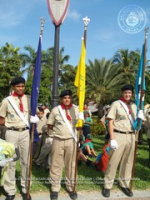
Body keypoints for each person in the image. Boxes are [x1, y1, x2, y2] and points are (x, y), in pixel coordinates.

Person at [102, 84, 144, 198]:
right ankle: (107, 185)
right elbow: (110, 121)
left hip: (131, 136)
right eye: (125, 92)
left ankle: (124, 183)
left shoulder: (134, 106)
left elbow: (138, 124)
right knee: (113, 161)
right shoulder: (116, 104)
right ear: (122, 93)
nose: (127, 94)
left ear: (131, 94)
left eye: (129, 93)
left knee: (128, 161)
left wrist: (141, 117)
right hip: (118, 135)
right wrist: (112, 138)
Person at [0, 77, 39, 200]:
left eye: (22, 86)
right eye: (18, 86)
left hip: (26, 133)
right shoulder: (7, 101)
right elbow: (1, 119)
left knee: (26, 161)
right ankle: (10, 190)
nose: (21, 88)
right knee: (10, 162)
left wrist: (35, 119)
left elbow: (36, 114)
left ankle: (25, 188)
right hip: (11, 132)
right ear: (13, 87)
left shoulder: (29, 99)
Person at [47, 90, 80, 200]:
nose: (67, 100)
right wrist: (53, 136)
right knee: (56, 164)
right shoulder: (55, 110)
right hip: (58, 140)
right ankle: (55, 188)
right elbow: (50, 124)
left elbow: (80, 125)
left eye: (69, 98)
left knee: (71, 164)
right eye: (65, 98)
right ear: (61, 99)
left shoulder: (76, 110)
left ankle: (71, 187)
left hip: (71, 140)